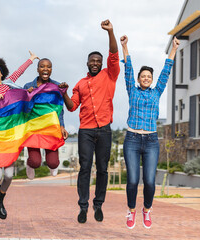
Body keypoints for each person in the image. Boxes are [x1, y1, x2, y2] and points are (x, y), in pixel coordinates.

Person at [60, 19, 120, 224]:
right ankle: (83, 206)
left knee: (102, 168)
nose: (95, 63)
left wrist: (110, 31)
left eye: (98, 61)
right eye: (91, 61)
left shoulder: (110, 75)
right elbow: (71, 106)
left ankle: (99, 204)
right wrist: (64, 93)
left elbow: (114, 53)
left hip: (104, 130)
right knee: (85, 168)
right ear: (87, 63)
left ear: (101, 64)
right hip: (85, 131)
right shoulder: (80, 84)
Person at [120, 35, 179, 229]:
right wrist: (125, 46)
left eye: (149, 77)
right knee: (133, 180)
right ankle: (131, 210)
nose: (146, 78)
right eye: (143, 76)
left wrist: (174, 49)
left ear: (152, 80)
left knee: (150, 182)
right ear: (138, 79)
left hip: (152, 140)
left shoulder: (156, 92)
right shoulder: (132, 90)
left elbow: (166, 72)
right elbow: (127, 69)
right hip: (132, 140)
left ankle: (147, 210)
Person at [0, 52, 39, 220]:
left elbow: (18, 72)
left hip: (11, 137)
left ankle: (0, 200)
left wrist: (31, 59)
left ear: (1, 73)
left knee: (9, 176)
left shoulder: (9, 85)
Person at [23, 58, 69, 179]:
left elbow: (59, 109)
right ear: (37, 69)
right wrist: (28, 97)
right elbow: (24, 111)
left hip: (50, 128)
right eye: (42, 66)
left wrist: (62, 126)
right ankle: (30, 164)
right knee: (36, 162)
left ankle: (52, 165)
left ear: (51, 70)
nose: (45, 69)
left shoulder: (56, 86)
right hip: (33, 128)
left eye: (48, 67)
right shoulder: (28, 86)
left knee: (53, 163)